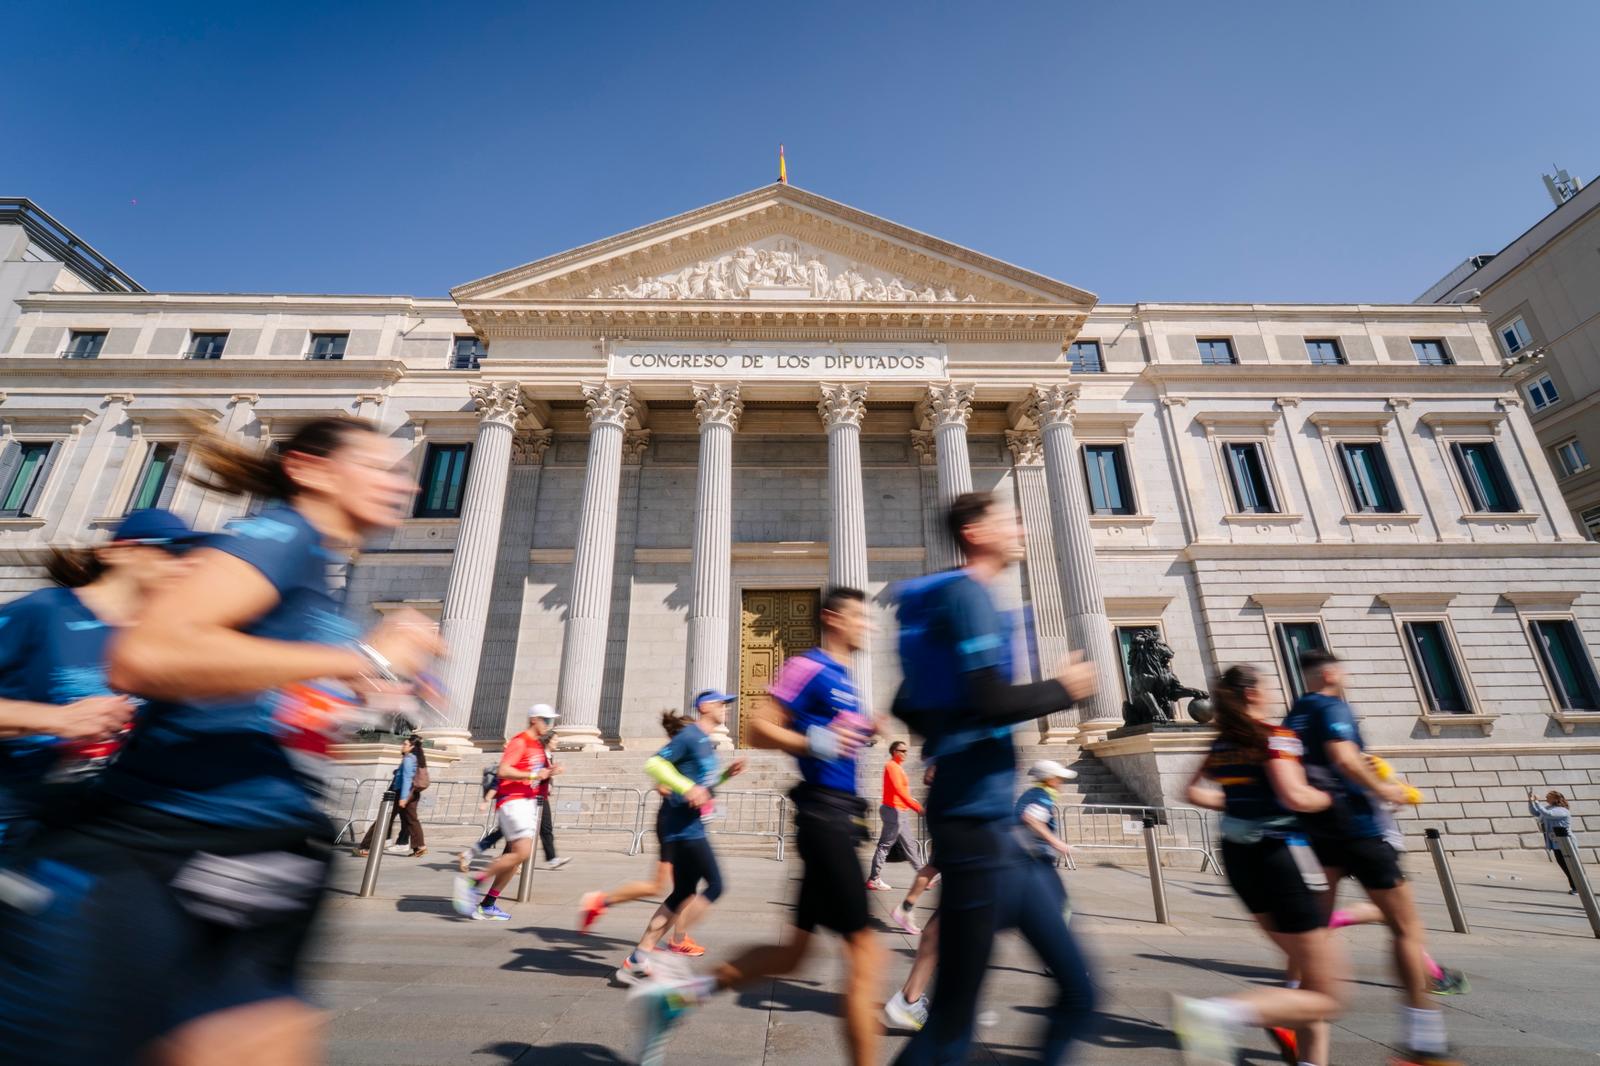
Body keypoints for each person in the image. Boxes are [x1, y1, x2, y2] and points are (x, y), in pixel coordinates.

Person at [0, 417, 442, 1065]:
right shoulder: (279, 536)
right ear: (310, 470)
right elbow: (148, 655)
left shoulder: (318, 570)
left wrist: (357, 691)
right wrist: (363, 661)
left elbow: (258, 692)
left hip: (267, 849)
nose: (405, 484)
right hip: (168, 844)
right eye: (378, 467)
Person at [628, 587, 884, 1066]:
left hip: (841, 817)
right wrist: (818, 742)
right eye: (859, 617)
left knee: (793, 956)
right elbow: (758, 726)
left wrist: (867, 729)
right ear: (833, 618)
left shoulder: (846, 678)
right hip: (824, 816)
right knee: (868, 954)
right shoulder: (809, 666)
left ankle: (676, 998)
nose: (868, 625)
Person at [890, 491, 1099, 1066]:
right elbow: (989, 699)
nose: (1022, 530)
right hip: (974, 829)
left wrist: (947, 735)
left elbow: (906, 700)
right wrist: (1063, 690)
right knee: (951, 1030)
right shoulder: (967, 596)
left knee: (1079, 993)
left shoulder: (955, 600)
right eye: (1010, 521)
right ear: (975, 532)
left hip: (990, 825)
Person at [1285, 650, 1458, 1066]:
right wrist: (1385, 790)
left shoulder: (1295, 715)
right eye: (1342, 672)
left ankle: (1289, 1016)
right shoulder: (1332, 707)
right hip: (1358, 829)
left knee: (1316, 935)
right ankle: (1423, 1043)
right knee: (1406, 929)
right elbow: (1344, 758)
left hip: (1317, 833)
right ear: (1329, 673)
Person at [0, 508, 203, 855]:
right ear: (119, 552)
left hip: (94, 828)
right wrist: (56, 719)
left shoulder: (161, 638)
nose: (183, 564)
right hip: (13, 819)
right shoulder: (43, 611)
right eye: (171, 549)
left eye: (189, 555)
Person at [1179, 664, 1347, 1066]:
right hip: (1280, 855)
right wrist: (1333, 795)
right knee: (1329, 995)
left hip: (1239, 858)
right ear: (1252, 694)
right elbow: (1295, 797)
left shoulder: (1222, 743)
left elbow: (1191, 793)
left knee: (1309, 978)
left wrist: (1242, 804)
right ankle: (1217, 1015)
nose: (1272, 693)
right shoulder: (1277, 737)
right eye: (1267, 687)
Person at [614, 691, 743, 985]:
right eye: (722, 704)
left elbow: (704, 784)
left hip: (691, 825)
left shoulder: (705, 742)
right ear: (705, 707)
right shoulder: (689, 736)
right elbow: (654, 764)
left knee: (683, 893)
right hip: (683, 827)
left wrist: (726, 776)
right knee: (716, 885)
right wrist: (686, 788)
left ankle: (638, 959)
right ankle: (670, 952)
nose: (726, 708)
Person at [578, 711, 687, 935]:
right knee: (660, 886)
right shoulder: (674, 752)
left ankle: (680, 938)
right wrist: (678, 790)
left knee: (686, 885)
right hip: (673, 824)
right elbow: (660, 781)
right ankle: (601, 901)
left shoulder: (683, 752)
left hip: (682, 824)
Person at [453, 704, 560, 921]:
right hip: (513, 801)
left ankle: (488, 904)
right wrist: (533, 775)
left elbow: (536, 772)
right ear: (534, 720)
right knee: (522, 853)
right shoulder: (520, 741)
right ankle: (473, 883)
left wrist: (549, 772)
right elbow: (503, 770)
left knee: (516, 857)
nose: (549, 725)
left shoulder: (537, 746)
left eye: (551, 721)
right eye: (546, 720)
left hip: (528, 802)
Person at [868, 739, 926, 894]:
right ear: (895, 752)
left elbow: (902, 792)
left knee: (910, 845)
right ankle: (874, 878)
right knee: (885, 845)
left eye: (906, 751)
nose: (906, 753)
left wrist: (910, 803)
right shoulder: (891, 766)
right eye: (903, 751)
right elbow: (899, 790)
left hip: (901, 811)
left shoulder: (898, 767)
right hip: (893, 811)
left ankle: (923, 877)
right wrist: (917, 807)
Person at [355, 734, 426, 858]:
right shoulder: (416, 759)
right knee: (411, 820)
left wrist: (403, 798)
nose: (402, 746)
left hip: (400, 793)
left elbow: (407, 779)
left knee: (383, 818)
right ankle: (420, 846)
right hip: (412, 793)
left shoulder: (409, 759)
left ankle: (365, 847)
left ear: (412, 747)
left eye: (405, 744)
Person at [1529, 789, 1581, 894]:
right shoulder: (1549, 808)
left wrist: (1537, 801)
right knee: (1564, 865)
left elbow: (1548, 814)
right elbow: (1536, 812)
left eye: (1549, 796)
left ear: (1556, 799)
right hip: (1556, 843)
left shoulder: (1562, 810)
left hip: (1566, 842)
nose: (1546, 798)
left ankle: (1578, 887)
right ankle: (1575, 887)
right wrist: (1531, 801)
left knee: (1571, 866)